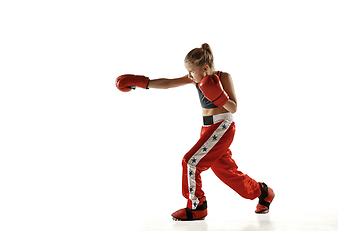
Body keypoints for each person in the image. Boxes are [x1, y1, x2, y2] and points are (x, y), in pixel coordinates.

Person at [115, 43, 275, 221]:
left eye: (191, 71)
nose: (189, 75)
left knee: (190, 161)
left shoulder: (224, 77)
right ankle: (263, 192)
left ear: (205, 68)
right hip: (207, 129)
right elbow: (168, 83)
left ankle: (197, 207)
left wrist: (219, 96)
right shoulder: (196, 79)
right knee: (226, 171)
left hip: (222, 126)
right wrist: (143, 82)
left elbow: (234, 107)